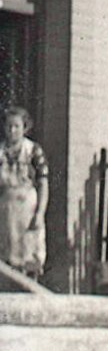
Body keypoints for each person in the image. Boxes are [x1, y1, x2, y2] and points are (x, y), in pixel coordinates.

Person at [0, 106, 48, 278]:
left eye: (16, 126)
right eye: (9, 126)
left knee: (29, 252)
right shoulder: (0, 152)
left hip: (27, 208)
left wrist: (40, 213)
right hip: (6, 210)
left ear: (24, 127)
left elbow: (43, 183)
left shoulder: (33, 151)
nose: (12, 131)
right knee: (7, 254)